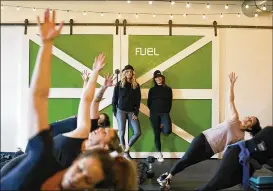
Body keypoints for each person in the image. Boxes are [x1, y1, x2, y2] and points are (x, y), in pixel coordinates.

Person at [1, 10, 137, 190]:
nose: (76, 177)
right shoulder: (77, 134)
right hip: (19, 166)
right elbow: (84, 100)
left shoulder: (80, 169)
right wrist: (47, 45)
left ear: (104, 148)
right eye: (80, 169)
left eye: (87, 179)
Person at [1, 51, 120, 178]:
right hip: (26, 163)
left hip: (27, 175)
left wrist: (96, 71)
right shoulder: (84, 137)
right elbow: (90, 100)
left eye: (105, 132)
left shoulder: (84, 139)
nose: (101, 129)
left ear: (105, 146)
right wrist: (98, 83)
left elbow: (86, 99)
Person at [157, 72, 262, 189]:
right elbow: (231, 100)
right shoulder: (235, 119)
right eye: (249, 116)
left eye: (250, 121)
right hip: (204, 138)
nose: (248, 118)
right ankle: (168, 178)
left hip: (211, 150)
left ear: (250, 127)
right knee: (186, 158)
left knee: (189, 162)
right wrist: (231, 85)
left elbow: (232, 151)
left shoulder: (241, 137)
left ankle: (168, 175)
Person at [196, 126, 273, 191]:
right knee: (215, 184)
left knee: (218, 185)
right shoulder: (269, 130)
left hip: (248, 163)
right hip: (237, 154)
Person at [112, 64, 142, 159]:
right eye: (127, 71)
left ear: (133, 73)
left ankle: (127, 148)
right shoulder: (119, 84)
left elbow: (138, 100)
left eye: (130, 71)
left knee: (137, 132)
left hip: (131, 112)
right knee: (121, 132)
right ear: (124, 73)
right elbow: (114, 99)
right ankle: (125, 154)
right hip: (121, 111)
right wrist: (115, 111)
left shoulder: (136, 85)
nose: (129, 73)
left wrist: (136, 112)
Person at [148, 70, 173, 162]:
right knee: (156, 134)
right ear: (154, 79)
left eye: (160, 77)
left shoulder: (168, 89)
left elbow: (170, 103)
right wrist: (153, 112)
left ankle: (161, 128)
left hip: (164, 113)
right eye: (156, 77)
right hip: (154, 114)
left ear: (162, 78)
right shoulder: (152, 90)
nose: (158, 78)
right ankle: (159, 153)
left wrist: (163, 121)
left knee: (167, 131)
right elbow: (149, 103)